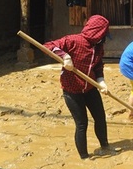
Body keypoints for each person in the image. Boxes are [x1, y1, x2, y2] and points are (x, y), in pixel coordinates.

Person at [44, 15, 112, 160]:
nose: (104, 38)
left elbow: (98, 66)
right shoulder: (73, 40)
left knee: (100, 118)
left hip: (90, 88)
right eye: (103, 34)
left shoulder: (99, 47)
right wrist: (64, 56)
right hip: (72, 90)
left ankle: (105, 146)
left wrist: (101, 81)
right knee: (82, 124)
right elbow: (48, 46)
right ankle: (85, 157)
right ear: (97, 32)